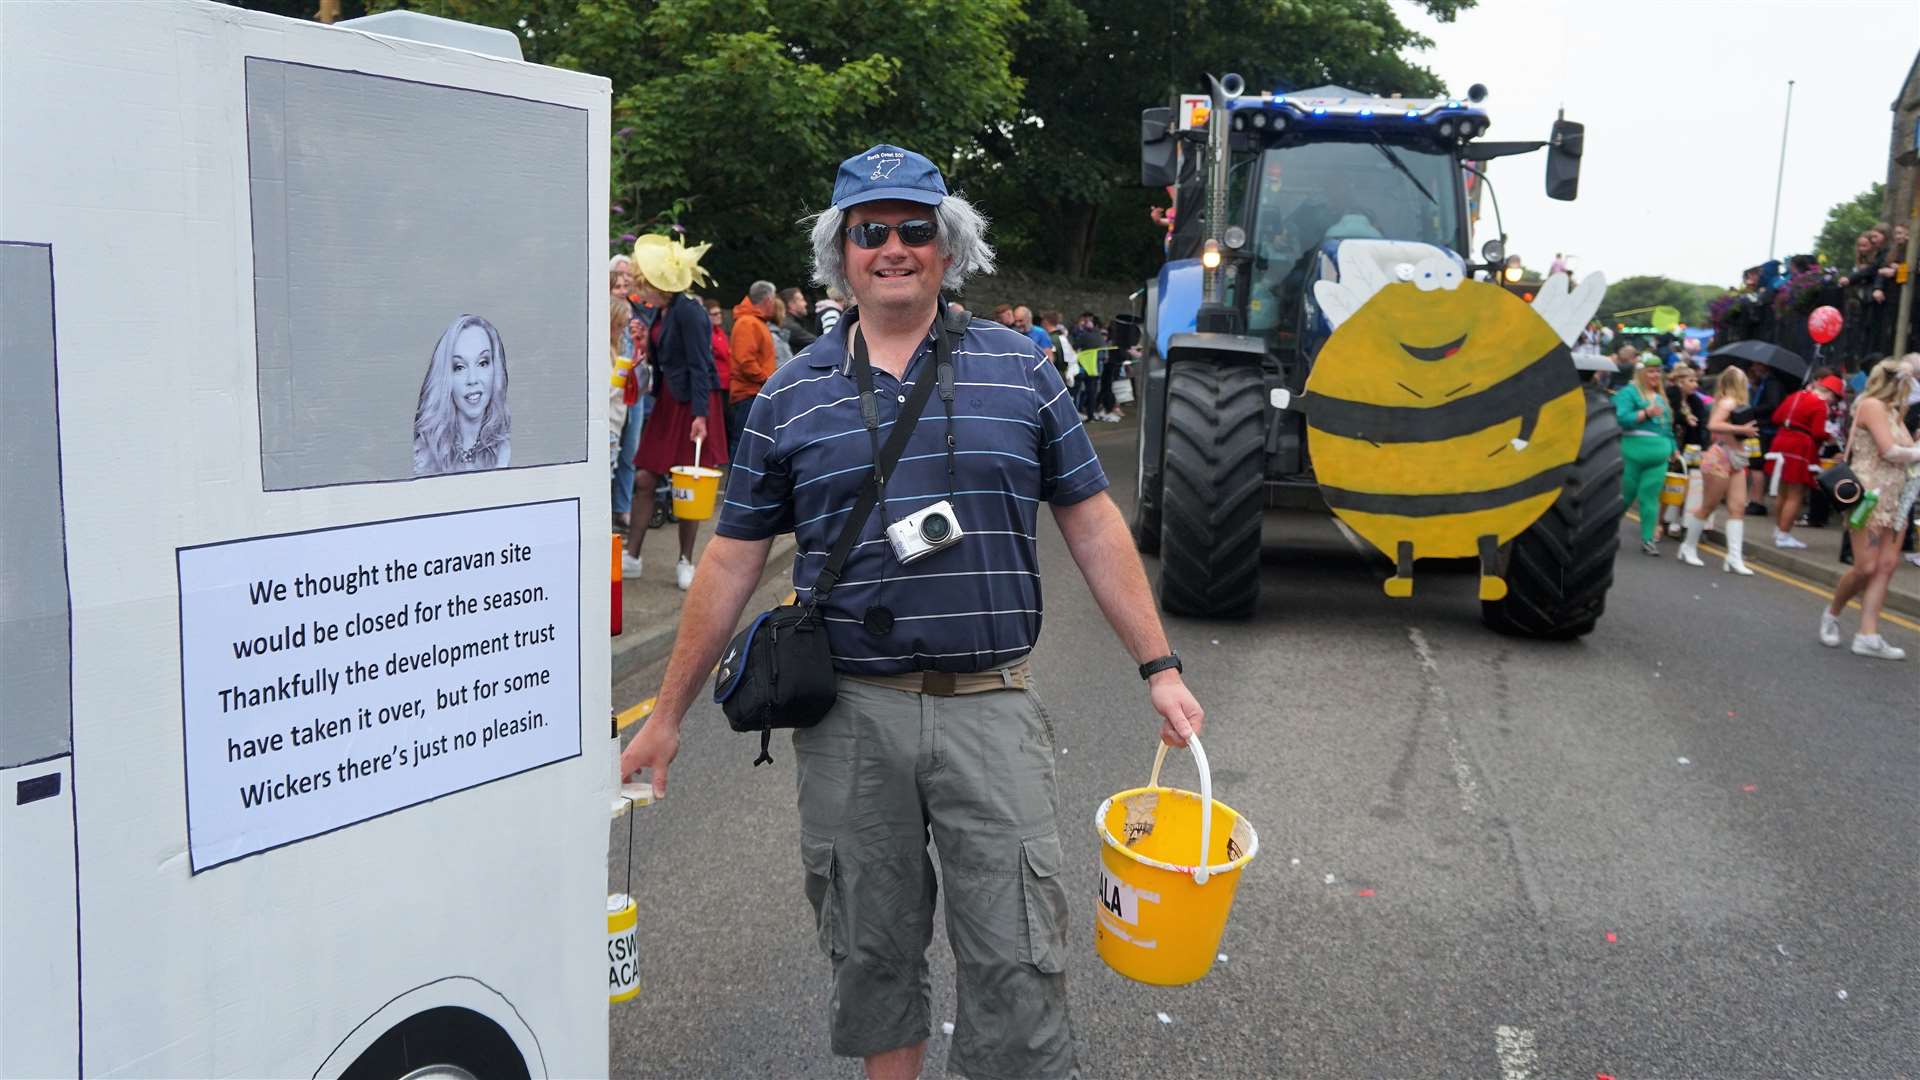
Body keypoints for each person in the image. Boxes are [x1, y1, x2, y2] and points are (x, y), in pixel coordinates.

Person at [618, 144, 1204, 1080]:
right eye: (870, 231)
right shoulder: (792, 394)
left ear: (949, 244)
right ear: (841, 253)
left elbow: (1092, 523)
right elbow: (730, 561)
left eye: (913, 228)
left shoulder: (1023, 370)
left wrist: (1159, 668)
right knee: (871, 950)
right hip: (849, 716)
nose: (893, 248)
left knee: (1017, 950)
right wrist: (669, 717)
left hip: (992, 705)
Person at [623, 234, 727, 590]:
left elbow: (701, 364)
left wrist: (701, 416)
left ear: (659, 285)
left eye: (644, 286)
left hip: (693, 404)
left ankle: (685, 561)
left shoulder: (690, 312)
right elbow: (665, 360)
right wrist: (643, 345)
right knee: (644, 478)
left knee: (688, 484)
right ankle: (632, 556)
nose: (641, 293)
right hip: (669, 399)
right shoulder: (662, 312)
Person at [1819, 356, 1920, 659]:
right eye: (1910, 382)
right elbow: (1889, 450)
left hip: (1896, 495)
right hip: (1869, 496)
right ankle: (1832, 613)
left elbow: (1904, 449)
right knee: (1866, 566)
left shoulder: (1893, 411)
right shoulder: (1872, 405)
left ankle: (1868, 634)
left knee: (1886, 567)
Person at [1676, 366, 1759, 574]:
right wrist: (1742, 430)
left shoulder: (1735, 403)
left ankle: (1734, 557)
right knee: (1708, 505)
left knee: (1737, 507)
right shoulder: (1728, 402)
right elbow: (1713, 425)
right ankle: (1687, 547)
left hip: (1736, 460)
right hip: (1720, 458)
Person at [412, 313, 510, 476]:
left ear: (495, 368)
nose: (472, 379)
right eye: (459, 367)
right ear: (445, 376)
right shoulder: (422, 455)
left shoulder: (507, 451)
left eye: (482, 363)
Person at [1769, 374, 1843, 548]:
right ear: (1830, 393)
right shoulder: (1819, 404)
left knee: (1783, 491)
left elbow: (1776, 418)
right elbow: (1818, 432)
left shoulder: (1795, 396)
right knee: (1796, 494)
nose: (1833, 402)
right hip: (1800, 446)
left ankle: (1778, 529)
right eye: (1835, 398)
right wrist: (1829, 437)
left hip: (1781, 441)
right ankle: (1784, 534)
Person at [1615, 357, 1675, 556]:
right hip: (1632, 453)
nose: (1655, 375)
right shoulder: (1628, 393)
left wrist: (1673, 448)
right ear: (1641, 373)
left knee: (1650, 498)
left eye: (1658, 371)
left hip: (1658, 457)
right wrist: (1646, 414)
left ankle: (1648, 539)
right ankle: (1607, 533)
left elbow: (1667, 427)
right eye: (1650, 371)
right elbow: (1620, 418)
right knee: (1625, 496)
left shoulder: (1661, 397)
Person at [611, 256, 649, 529]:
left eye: (628, 281)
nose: (624, 287)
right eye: (618, 282)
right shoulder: (605, 313)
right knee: (610, 448)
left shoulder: (638, 311)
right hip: (613, 390)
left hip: (634, 388)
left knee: (630, 453)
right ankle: (607, 506)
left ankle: (623, 507)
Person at [727, 281, 780, 460]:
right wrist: (767, 380)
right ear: (768, 300)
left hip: (755, 393)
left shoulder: (754, 322)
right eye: (774, 300)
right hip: (748, 394)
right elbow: (745, 361)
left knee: (750, 446)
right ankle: (735, 487)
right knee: (743, 445)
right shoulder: (747, 323)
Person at [1662, 362, 1710, 537]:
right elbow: (1671, 416)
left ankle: (1675, 520)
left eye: (1696, 381)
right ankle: (1663, 521)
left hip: (1689, 447)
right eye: (1691, 380)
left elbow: (1700, 425)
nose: (1695, 384)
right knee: (1669, 483)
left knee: (1685, 483)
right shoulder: (1670, 396)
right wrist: (1685, 419)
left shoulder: (1695, 401)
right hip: (1670, 444)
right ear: (1680, 382)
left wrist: (1701, 448)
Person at [779, 286, 820, 354]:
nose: (805, 304)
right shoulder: (790, 326)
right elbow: (818, 342)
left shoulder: (788, 322)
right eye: (802, 300)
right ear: (791, 305)